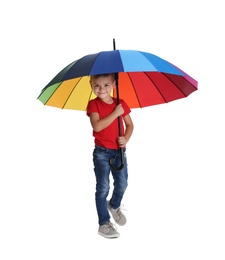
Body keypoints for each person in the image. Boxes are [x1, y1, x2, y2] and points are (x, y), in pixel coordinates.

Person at [86, 73, 134, 238]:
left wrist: (125, 138)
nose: (101, 89)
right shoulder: (93, 105)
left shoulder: (120, 103)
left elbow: (129, 125)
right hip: (102, 153)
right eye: (97, 85)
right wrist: (115, 113)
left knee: (122, 184)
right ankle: (104, 223)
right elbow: (97, 126)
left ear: (114, 84)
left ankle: (113, 205)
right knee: (103, 188)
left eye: (106, 85)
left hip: (119, 152)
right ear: (91, 85)